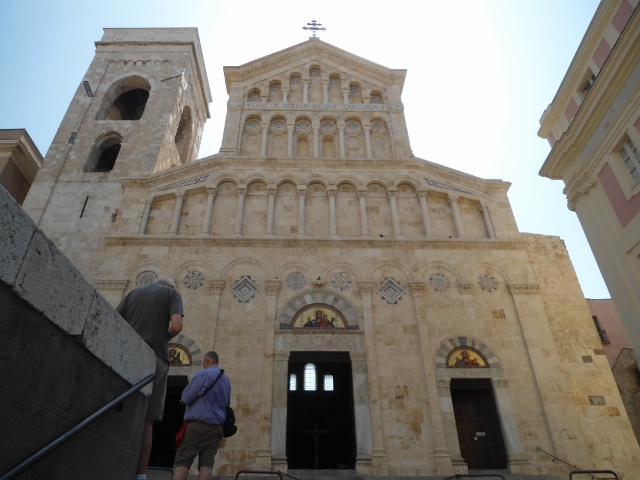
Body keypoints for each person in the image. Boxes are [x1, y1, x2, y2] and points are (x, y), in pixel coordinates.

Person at [116, 276, 184, 480]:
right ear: (170, 286)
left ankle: (115, 462)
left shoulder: (132, 294)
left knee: (123, 407)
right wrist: (166, 337)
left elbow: (116, 321)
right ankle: (141, 475)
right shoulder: (172, 293)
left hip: (128, 355)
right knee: (148, 419)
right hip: (155, 357)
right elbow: (177, 326)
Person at [173, 351, 231, 480]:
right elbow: (227, 403)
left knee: (183, 460)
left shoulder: (203, 374)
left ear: (207, 361)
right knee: (207, 463)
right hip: (217, 427)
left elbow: (186, 397)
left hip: (198, 426)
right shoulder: (226, 379)